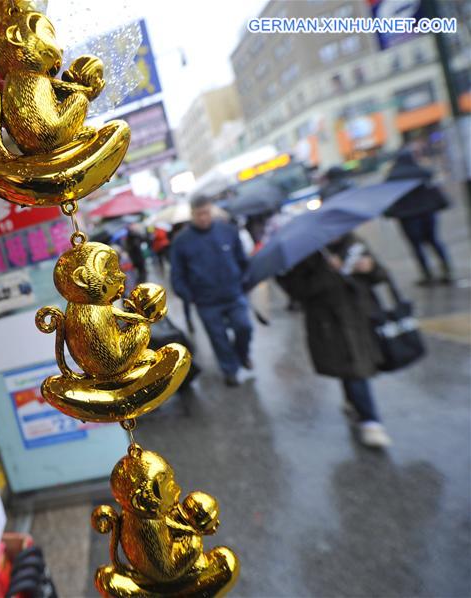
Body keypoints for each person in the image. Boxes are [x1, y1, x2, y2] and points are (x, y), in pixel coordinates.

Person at [278, 234, 392, 448]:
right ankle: (371, 421)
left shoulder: (355, 244)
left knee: (353, 365)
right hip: (328, 323)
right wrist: (330, 272)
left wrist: (370, 268)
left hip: (360, 317)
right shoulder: (305, 252)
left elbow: (381, 275)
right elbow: (298, 291)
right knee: (354, 367)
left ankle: (354, 401)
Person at [170, 197, 252, 387]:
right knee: (218, 338)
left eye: (207, 212)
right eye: (199, 214)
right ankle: (230, 370)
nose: (204, 218)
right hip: (206, 301)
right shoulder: (181, 241)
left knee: (244, 326)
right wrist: (188, 295)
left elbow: (242, 259)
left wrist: (244, 281)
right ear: (192, 215)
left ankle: (242, 354)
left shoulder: (227, 231)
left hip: (233, 293)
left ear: (212, 211)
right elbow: (177, 274)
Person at [384, 148, 451, 286]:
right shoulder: (421, 172)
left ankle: (427, 274)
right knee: (434, 241)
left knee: (417, 246)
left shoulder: (393, 176)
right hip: (427, 214)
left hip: (408, 218)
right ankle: (446, 269)